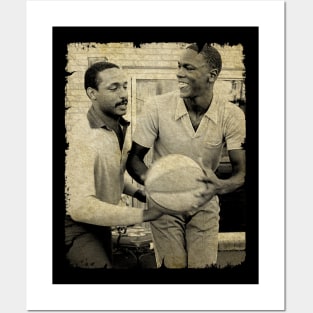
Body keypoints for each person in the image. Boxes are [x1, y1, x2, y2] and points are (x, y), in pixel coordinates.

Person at [126, 43, 246, 269]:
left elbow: (242, 172)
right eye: (179, 66)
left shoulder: (231, 114)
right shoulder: (157, 106)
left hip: (204, 203)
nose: (179, 73)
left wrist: (219, 186)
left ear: (212, 76)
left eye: (189, 68)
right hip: (164, 204)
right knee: (173, 266)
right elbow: (134, 160)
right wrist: (159, 183)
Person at [65, 61, 164, 269]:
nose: (124, 94)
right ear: (92, 93)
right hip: (73, 225)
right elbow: (80, 208)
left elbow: (109, 174)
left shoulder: (118, 125)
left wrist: (139, 194)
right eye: (114, 88)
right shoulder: (84, 137)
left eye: (125, 86)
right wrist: (145, 215)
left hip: (100, 222)